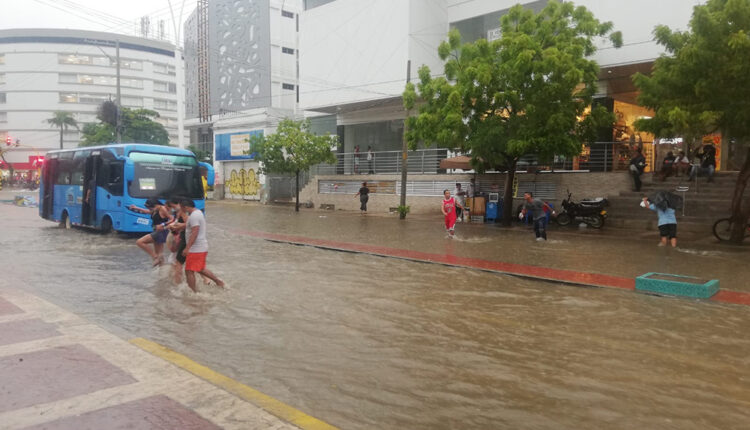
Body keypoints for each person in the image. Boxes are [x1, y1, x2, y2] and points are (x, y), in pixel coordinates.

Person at [180, 199, 224, 292]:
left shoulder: (194, 216)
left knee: (189, 271)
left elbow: (195, 231)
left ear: (186, 207)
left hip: (196, 248)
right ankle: (218, 281)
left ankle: (193, 293)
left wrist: (187, 248)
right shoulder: (198, 213)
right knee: (199, 269)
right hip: (199, 247)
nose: (180, 209)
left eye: (181, 207)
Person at [130, 198, 173, 266]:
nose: (150, 209)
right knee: (159, 253)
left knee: (140, 242)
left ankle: (154, 257)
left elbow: (172, 218)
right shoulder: (155, 209)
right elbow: (147, 211)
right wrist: (136, 208)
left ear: (156, 205)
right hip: (157, 231)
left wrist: (163, 225)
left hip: (161, 231)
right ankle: (162, 271)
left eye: (150, 207)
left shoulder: (162, 209)